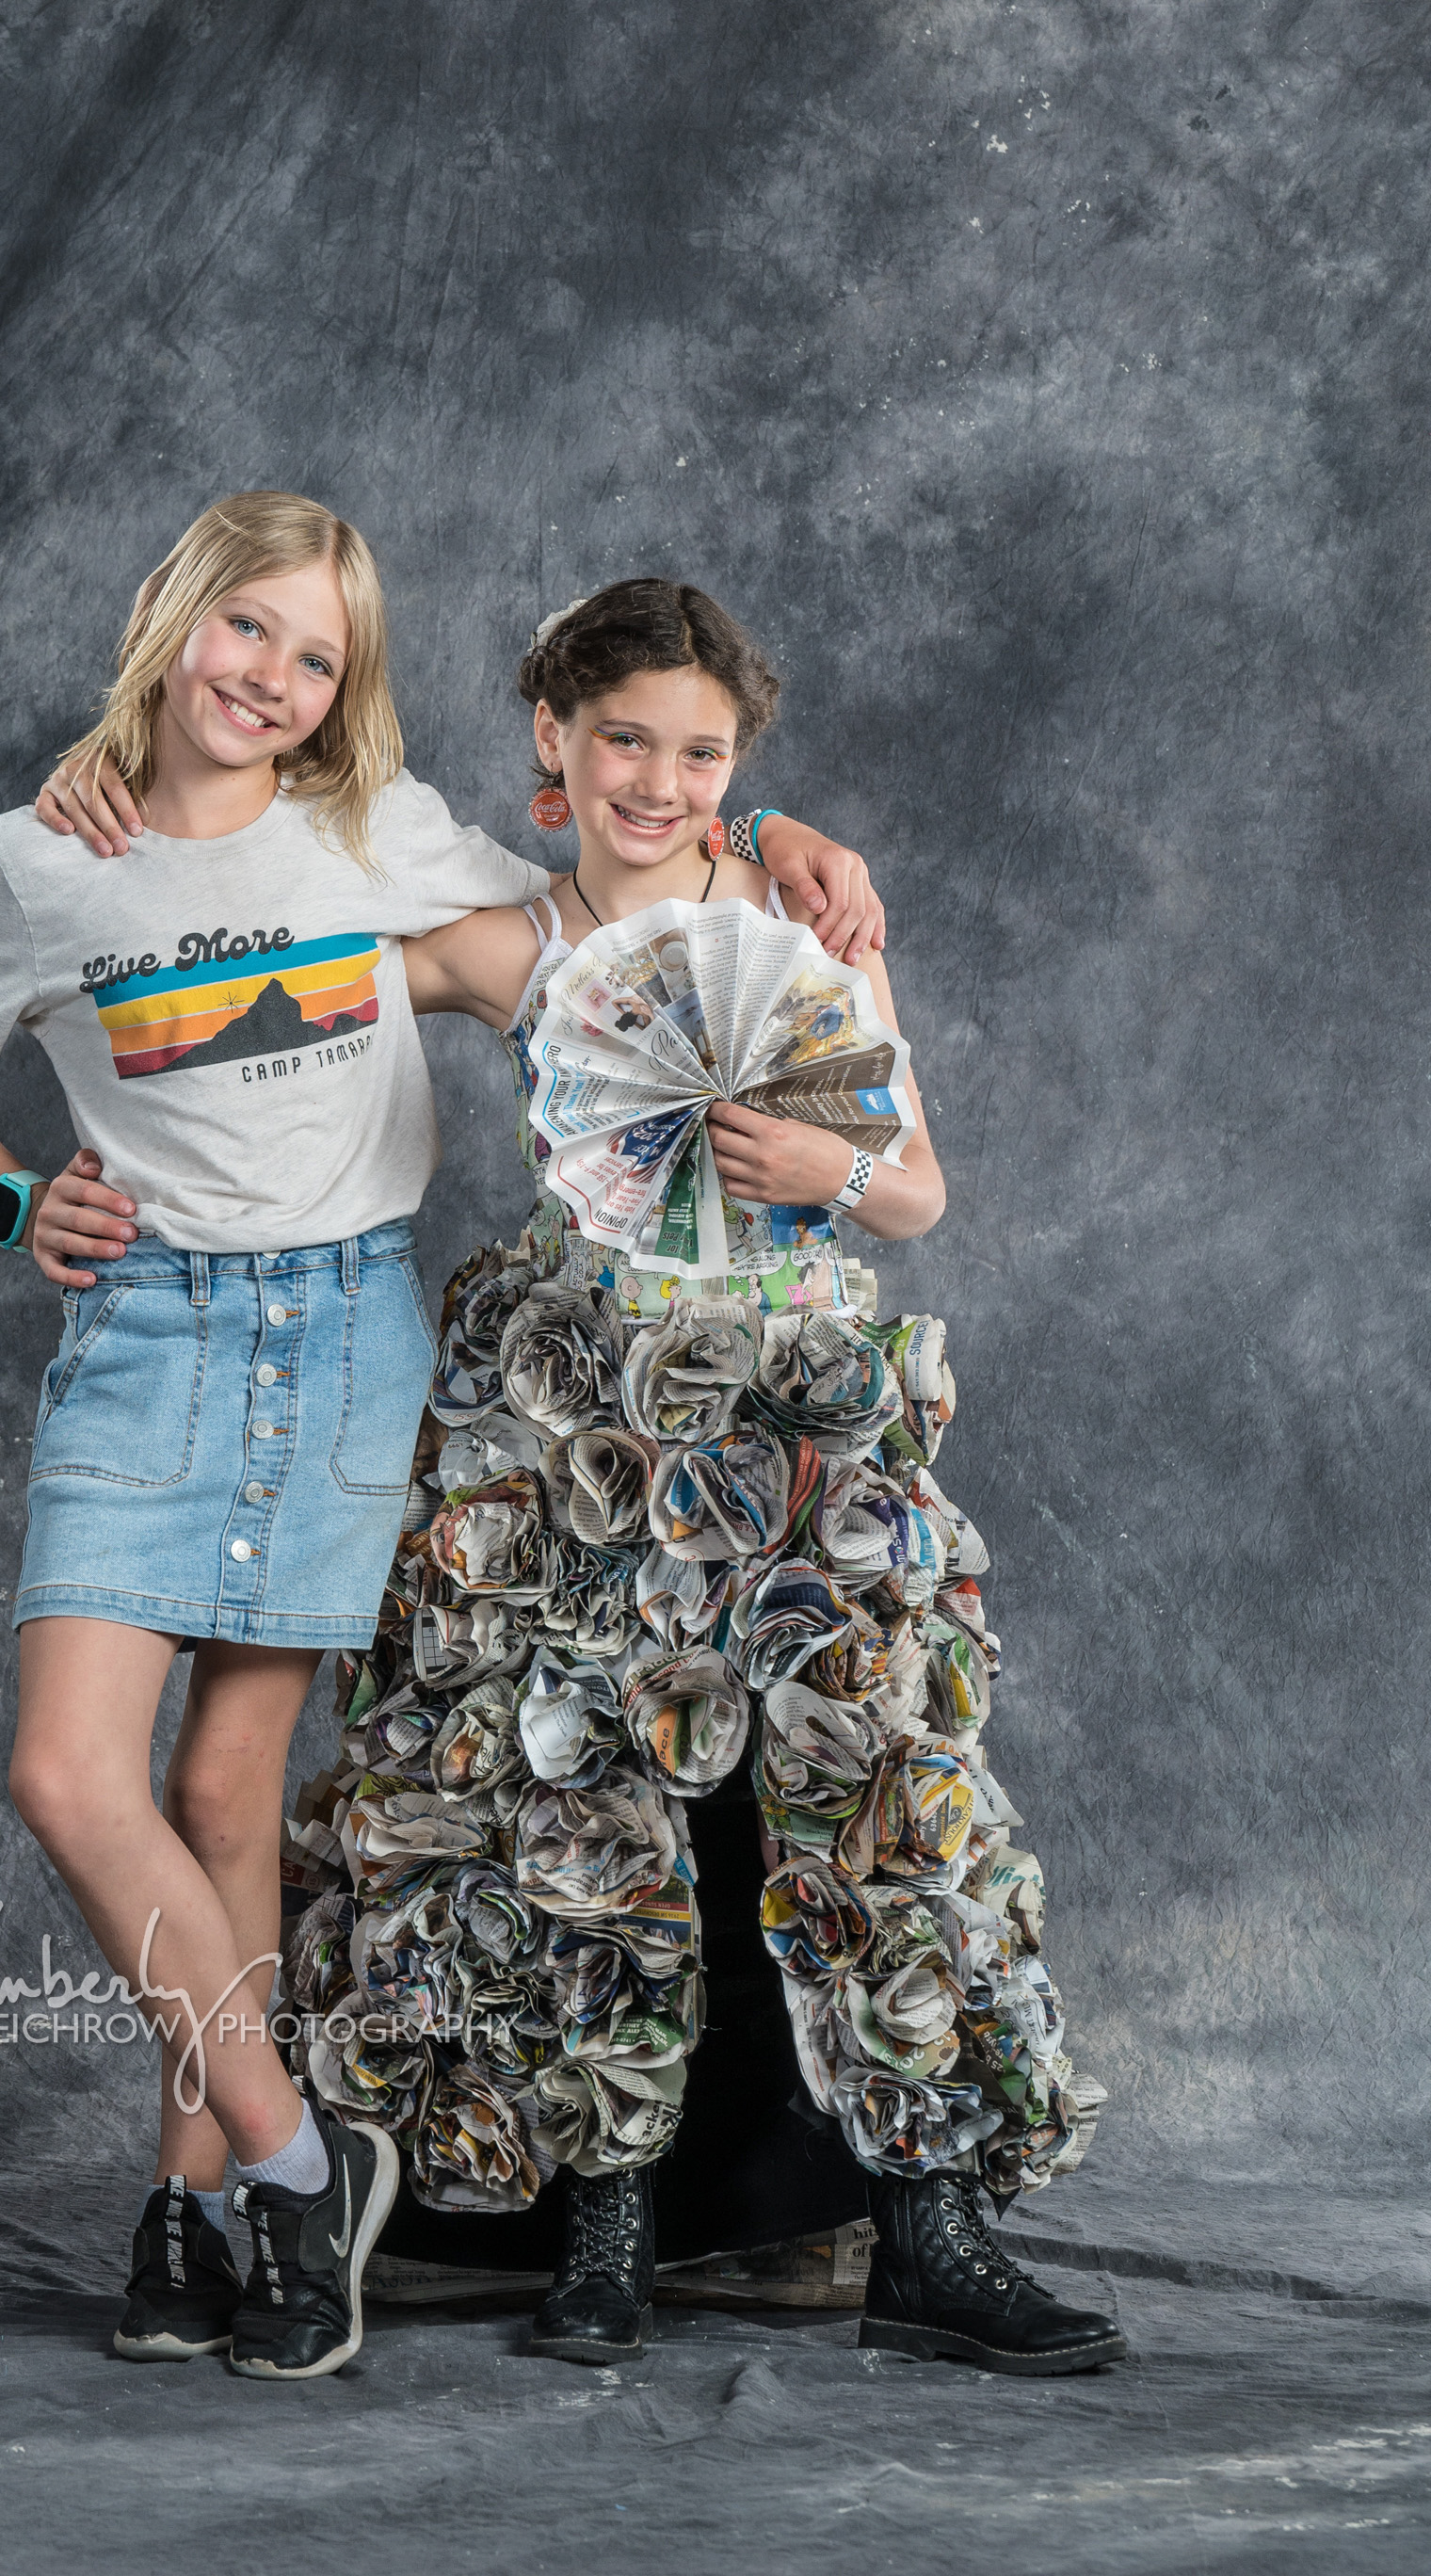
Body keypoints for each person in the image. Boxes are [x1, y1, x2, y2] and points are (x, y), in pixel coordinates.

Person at [0, 491, 879, 2383]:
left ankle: (197, 2204)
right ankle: (303, 2163)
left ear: (347, 689)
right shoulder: (47, 857)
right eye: (247, 625)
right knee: (73, 1775)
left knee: (230, 1798)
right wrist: (7, 1200)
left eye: (316, 655)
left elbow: (611, 878)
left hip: (340, 1339)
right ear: (173, 616)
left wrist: (775, 837)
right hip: (148, 1342)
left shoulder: (377, 831)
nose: (271, 674)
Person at [265, 578, 1127, 2375]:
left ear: (741, 764)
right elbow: (278, 955)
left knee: (872, 1777)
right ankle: (609, 2222)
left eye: (705, 754)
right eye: (624, 742)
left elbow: (915, 1193)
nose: (660, 782)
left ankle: (928, 2229)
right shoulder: (508, 939)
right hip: (576, 1415)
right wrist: (125, 821)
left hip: (797, 1403)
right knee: (580, 1789)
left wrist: (825, 1162)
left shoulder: (809, 918)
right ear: (554, 741)